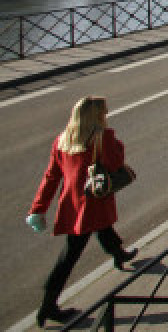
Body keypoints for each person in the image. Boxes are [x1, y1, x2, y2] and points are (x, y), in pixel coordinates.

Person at [27, 96, 138, 328]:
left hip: (72, 204)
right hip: (93, 202)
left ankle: (118, 253)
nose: (106, 116)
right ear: (97, 116)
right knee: (70, 255)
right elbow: (117, 162)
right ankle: (48, 305)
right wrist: (110, 137)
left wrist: (38, 209)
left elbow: (51, 177)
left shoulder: (63, 140)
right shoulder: (101, 139)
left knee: (102, 228)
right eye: (104, 113)